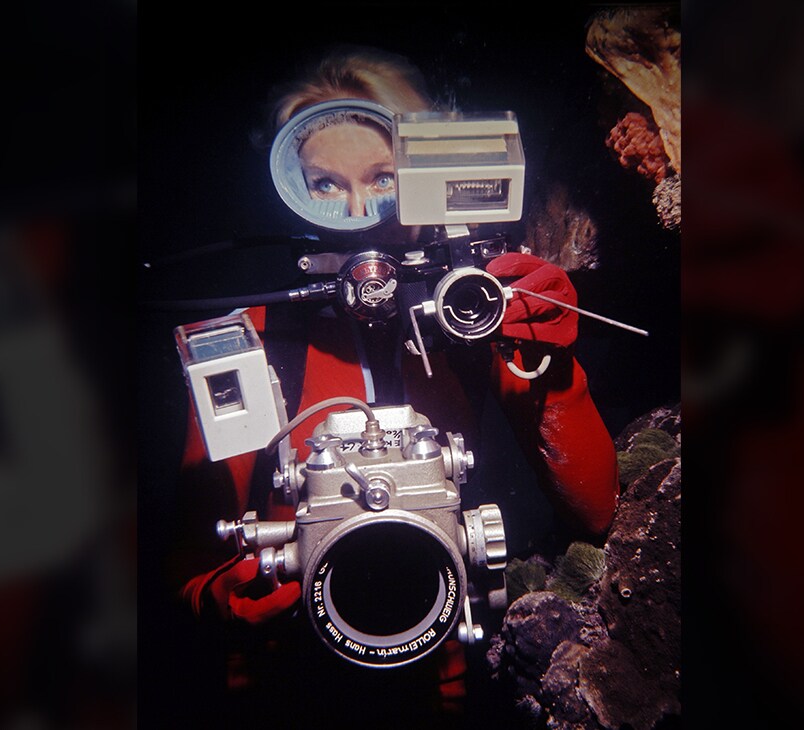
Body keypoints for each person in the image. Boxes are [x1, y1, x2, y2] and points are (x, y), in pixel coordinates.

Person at [175, 44, 621, 724]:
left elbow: (595, 510)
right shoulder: (249, 341)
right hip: (284, 688)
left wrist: (551, 365)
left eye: (383, 178)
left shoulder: (470, 322)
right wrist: (223, 595)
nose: (359, 208)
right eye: (325, 184)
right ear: (289, 190)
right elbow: (191, 561)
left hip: (445, 679)